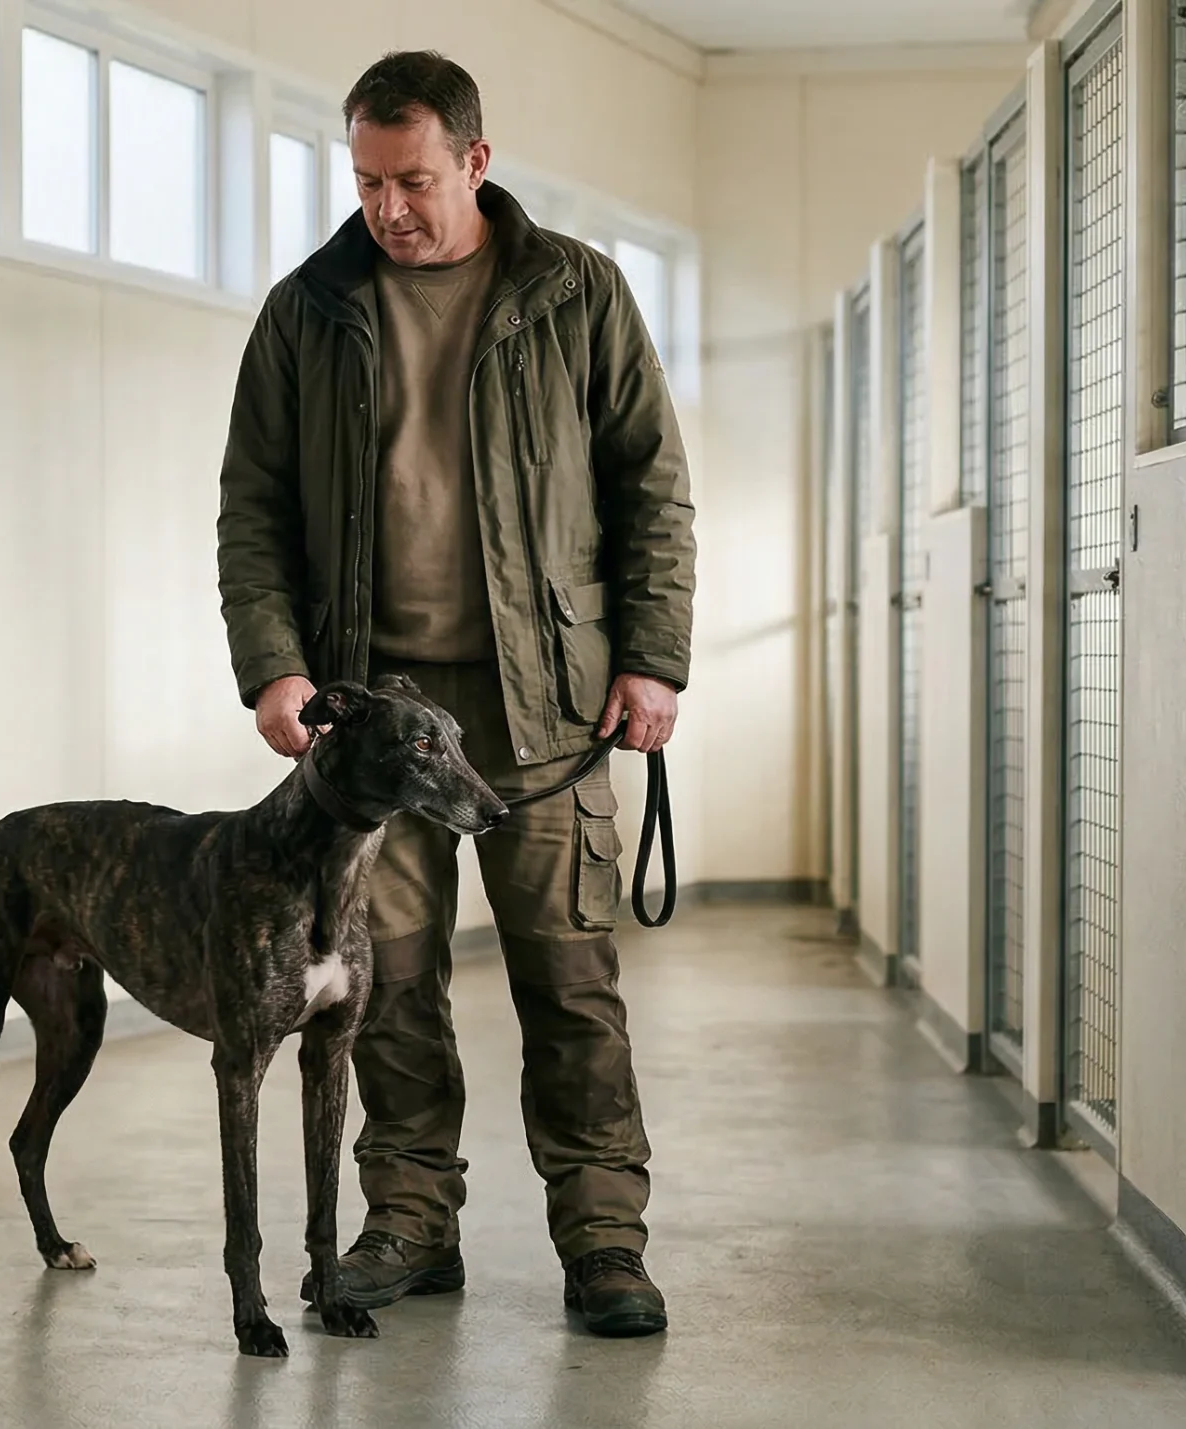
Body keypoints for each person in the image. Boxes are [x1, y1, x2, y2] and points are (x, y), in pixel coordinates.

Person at [214, 49, 695, 1338]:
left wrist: (653, 655)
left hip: (547, 709)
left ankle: (603, 1239)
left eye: (412, 178)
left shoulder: (575, 291)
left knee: (570, 982)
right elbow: (251, 508)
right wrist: (273, 662)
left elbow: (651, 484)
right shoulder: (308, 308)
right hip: (371, 726)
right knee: (391, 985)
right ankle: (412, 1222)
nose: (387, 206)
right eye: (366, 180)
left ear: (477, 160)